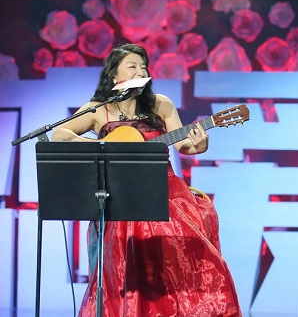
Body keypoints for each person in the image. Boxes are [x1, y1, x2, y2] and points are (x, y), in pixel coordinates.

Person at [52, 44, 241, 316]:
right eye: (132, 66)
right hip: (120, 198)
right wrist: (100, 146)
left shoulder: (160, 104)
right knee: (124, 270)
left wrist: (198, 145)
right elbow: (60, 134)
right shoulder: (96, 109)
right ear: (115, 76)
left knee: (175, 266)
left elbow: (184, 145)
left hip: (164, 193)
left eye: (143, 66)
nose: (141, 71)